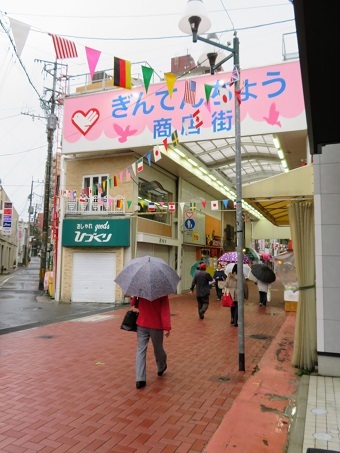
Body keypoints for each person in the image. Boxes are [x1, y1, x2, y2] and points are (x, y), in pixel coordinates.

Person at [130, 295, 171, 389]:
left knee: (141, 350)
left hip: (142, 323)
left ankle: (140, 379)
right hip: (156, 325)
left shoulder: (141, 290)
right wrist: (167, 327)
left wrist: (135, 296)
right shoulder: (162, 292)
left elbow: (133, 304)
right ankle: (161, 367)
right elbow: (165, 310)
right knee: (158, 348)